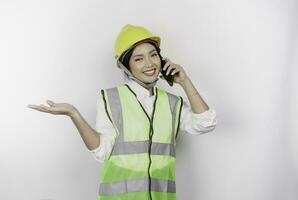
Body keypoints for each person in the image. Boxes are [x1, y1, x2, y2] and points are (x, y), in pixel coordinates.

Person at [27, 24, 217, 200]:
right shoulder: (111, 99)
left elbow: (206, 123)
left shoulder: (172, 103)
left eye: (153, 55)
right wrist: (74, 114)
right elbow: (102, 151)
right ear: (126, 65)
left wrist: (185, 81)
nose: (150, 64)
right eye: (139, 59)